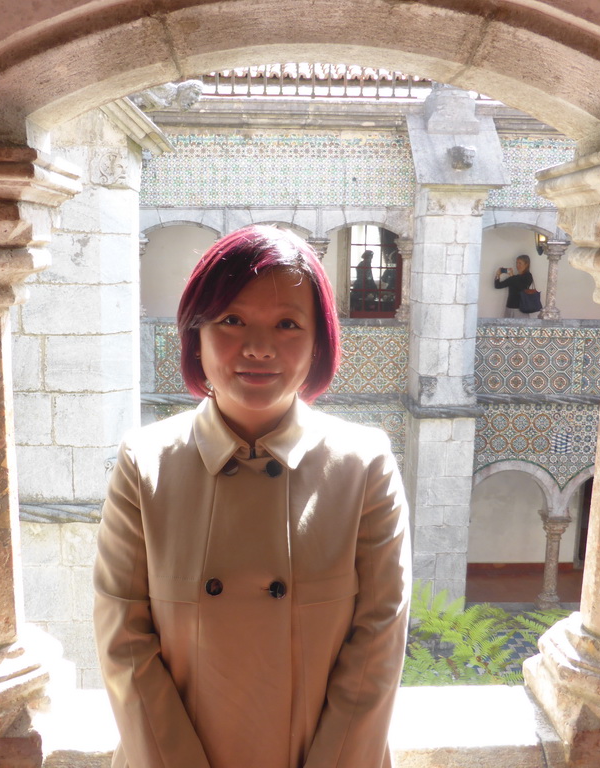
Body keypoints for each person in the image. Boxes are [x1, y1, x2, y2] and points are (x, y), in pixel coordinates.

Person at [93, 225, 411, 768]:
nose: (259, 348)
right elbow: (124, 640)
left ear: (319, 342)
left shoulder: (364, 466)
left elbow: (377, 646)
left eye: (288, 324)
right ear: (196, 334)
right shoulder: (144, 464)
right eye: (232, 320)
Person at [493, 254, 534, 319]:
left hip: (521, 308)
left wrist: (512, 276)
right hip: (509, 307)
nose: (517, 265)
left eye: (520, 263)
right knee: (507, 328)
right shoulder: (514, 278)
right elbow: (498, 285)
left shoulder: (528, 275)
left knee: (521, 328)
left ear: (526, 264)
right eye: (516, 263)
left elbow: (522, 288)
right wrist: (498, 275)